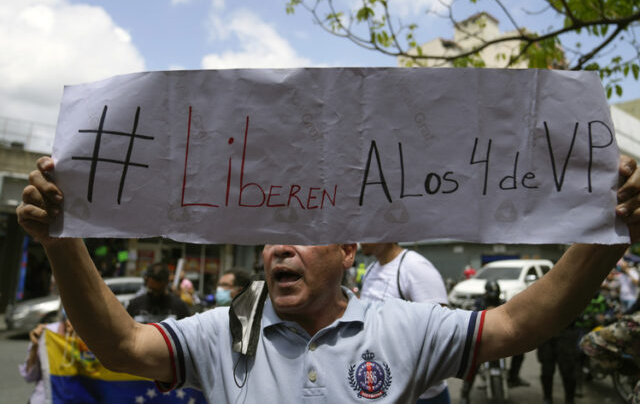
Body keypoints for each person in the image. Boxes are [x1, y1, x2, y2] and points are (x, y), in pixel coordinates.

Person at [15, 155, 640, 402]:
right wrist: (60, 242)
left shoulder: (405, 327)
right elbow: (121, 346)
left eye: (302, 232)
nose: (279, 247)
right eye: (270, 236)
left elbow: (520, 322)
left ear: (348, 250)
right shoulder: (221, 332)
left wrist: (610, 234)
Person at [360, 242, 450, 404]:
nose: (361, 239)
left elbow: (440, 332)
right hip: (383, 390)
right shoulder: (370, 270)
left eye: (367, 231)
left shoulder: (414, 266)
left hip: (422, 395)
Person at [19, 313, 74, 404]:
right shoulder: (48, 333)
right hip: (44, 399)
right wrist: (35, 347)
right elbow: (29, 376)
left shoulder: (94, 337)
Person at [126, 261, 191, 323]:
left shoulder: (180, 307)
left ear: (166, 283)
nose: (155, 294)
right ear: (147, 281)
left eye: (158, 290)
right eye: (152, 289)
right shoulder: (134, 305)